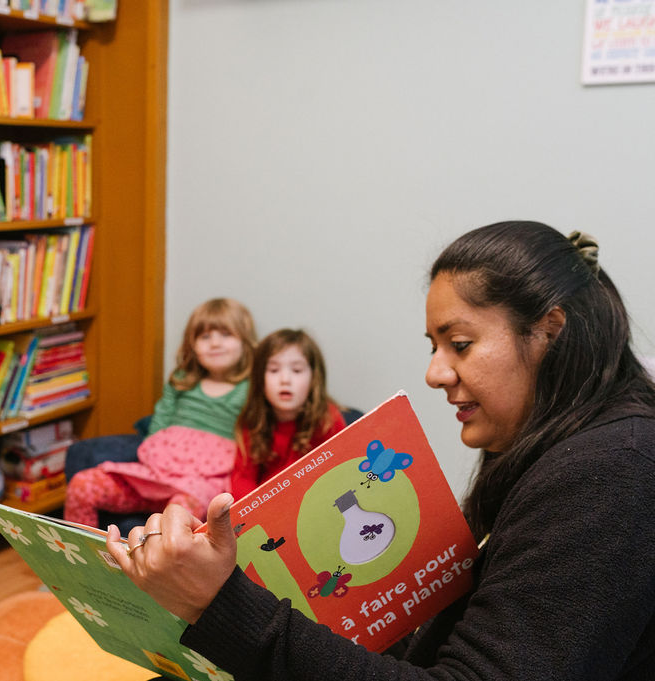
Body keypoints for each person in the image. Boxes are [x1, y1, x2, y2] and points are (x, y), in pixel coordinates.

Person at [107, 221, 655, 680]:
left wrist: (224, 606)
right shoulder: (550, 444)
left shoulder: (615, 471)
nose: (435, 372)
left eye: (459, 344)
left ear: (548, 333)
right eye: (434, 347)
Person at [64, 297, 257, 528]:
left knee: (180, 512)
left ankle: (158, 560)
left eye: (226, 335)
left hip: (202, 482)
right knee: (82, 485)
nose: (215, 344)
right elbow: (160, 422)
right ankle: (86, 558)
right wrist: (153, 457)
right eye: (205, 337)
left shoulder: (250, 388)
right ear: (192, 345)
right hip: (154, 474)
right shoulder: (182, 380)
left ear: (245, 341)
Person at [231, 328, 347, 497]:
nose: (285, 379)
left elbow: (340, 475)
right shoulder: (253, 420)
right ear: (259, 379)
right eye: (273, 370)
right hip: (266, 510)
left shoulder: (328, 419)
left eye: (297, 370)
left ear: (314, 378)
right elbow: (242, 480)